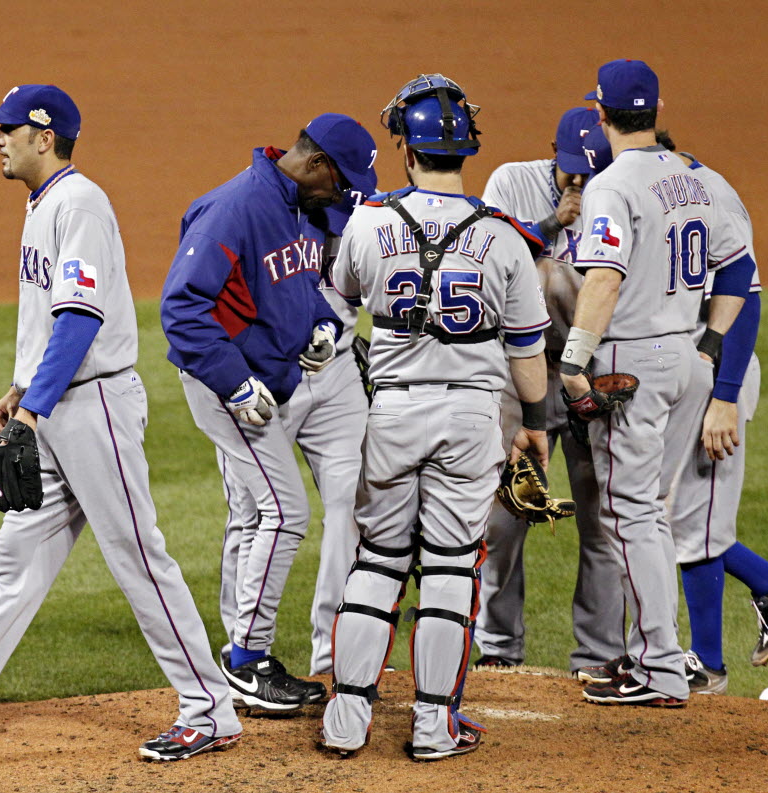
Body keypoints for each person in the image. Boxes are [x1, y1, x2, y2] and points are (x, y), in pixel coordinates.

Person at [0, 84, 242, 763]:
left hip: (93, 405)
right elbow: (50, 315)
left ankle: (210, 707)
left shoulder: (80, 204)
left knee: (137, 556)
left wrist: (33, 408)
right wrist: (21, 388)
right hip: (55, 403)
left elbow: (82, 317)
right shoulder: (44, 205)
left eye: (7, 127)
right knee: (18, 560)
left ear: (45, 137)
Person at [320, 74, 551, 760]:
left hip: (389, 415)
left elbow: (335, 309)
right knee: (451, 567)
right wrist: (534, 421)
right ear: (466, 151)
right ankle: (432, 726)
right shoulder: (506, 237)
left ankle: (347, 720)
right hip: (470, 419)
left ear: (405, 149)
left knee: (378, 559)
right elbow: (528, 347)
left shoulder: (369, 221)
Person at [576, 124, 768, 694]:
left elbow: (746, 293)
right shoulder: (674, 193)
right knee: (670, 514)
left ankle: (708, 657)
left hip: (714, 371)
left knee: (689, 520)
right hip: (690, 362)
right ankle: (755, 601)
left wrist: (724, 394)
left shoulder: (697, 191)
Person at [160, 114, 377, 710]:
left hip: (269, 381)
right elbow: (181, 307)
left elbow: (300, 287)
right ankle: (247, 663)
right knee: (284, 513)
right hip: (226, 384)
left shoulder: (294, 208)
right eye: (341, 179)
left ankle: (245, 657)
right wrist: (233, 384)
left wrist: (326, 327)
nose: (343, 192)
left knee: (272, 513)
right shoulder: (238, 206)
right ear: (314, 165)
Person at [560, 60, 756, 707]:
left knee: (632, 513)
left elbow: (604, 279)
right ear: (657, 107)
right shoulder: (692, 176)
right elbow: (739, 269)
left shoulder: (611, 185)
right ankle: (660, 660)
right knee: (650, 513)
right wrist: (707, 344)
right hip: (683, 361)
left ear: (601, 114)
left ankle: (658, 666)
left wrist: (572, 360)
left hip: (633, 362)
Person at [472, 107, 626, 674]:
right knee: (503, 519)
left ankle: (600, 653)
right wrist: (553, 220)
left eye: (592, 175)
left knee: (601, 520)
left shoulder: (623, 193)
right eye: (571, 173)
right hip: (522, 375)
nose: (581, 185)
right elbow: (492, 260)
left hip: (588, 374)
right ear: (551, 155)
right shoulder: (512, 181)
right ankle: (498, 647)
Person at [216, 193, 373, 678]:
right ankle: (242, 653)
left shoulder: (369, 220)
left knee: (351, 508)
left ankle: (335, 654)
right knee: (252, 513)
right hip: (266, 374)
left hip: (339, 371)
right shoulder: (265, 212)